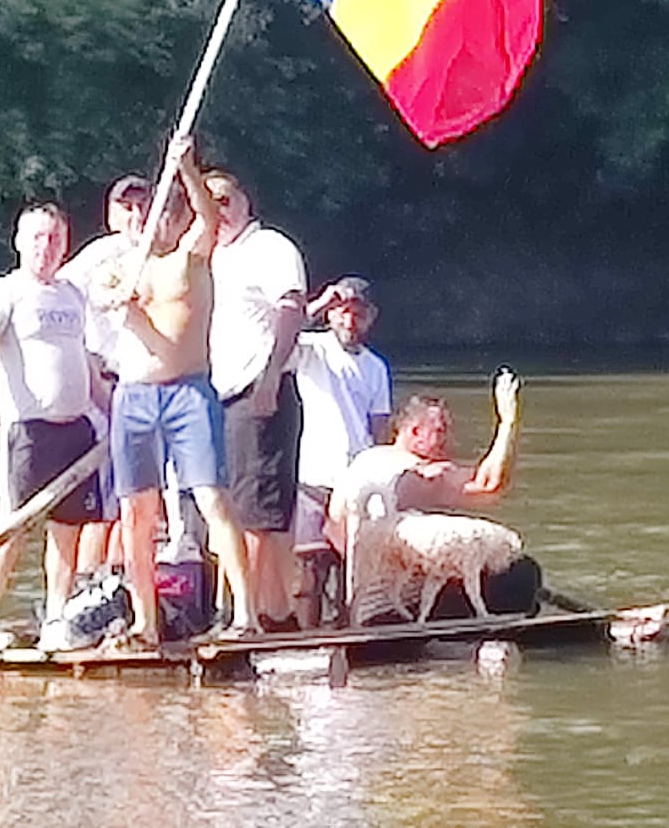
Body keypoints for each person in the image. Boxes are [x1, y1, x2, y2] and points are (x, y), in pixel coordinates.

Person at [96, 137, 259, 645]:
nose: (150, 224)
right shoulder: (120, 266)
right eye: (140, 216)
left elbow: (208, 218)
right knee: (136, 511)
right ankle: (146, 621)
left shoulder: (191, 257)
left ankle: (245, 615)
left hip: (188, 392)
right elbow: (101, 294)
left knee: (212, 498)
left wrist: (186, 167)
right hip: (135, 396)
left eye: (159, 215)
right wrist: (118, 297)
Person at [0, 202, 107, 656]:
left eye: (55, 238)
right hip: (28, 432)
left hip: (76, 431)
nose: (46, 247)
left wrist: (114, 410)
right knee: (13, 526)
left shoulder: (72, 295)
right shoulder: (4, 294)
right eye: (38, 237)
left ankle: (56, 618)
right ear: (20, 242)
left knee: (68, 528)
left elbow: (85, 362)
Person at [329, 370, 527, 624]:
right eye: (440, 431)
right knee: (520, 572)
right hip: (402, 609)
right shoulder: (421, 472)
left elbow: (333, 527)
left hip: (362, 605)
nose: (447, 440)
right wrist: (507, 424)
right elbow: (489, 485)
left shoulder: (364, 460)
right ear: (414, 431)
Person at [203, 170, 308, 631]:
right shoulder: (206, 256)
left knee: (258, 513)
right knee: (227, 508)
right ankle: (258, 610)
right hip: (217, 398)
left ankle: (258, 616)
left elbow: (291, 309)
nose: (219, 210)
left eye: (226, 199)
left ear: (246, 200)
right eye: (209, 202)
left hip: (259, 394)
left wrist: (269, 377)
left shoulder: (269, 247)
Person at [58, 174, 152, 590]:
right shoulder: (99, 256)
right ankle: (85, 582)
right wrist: (88, 371)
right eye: (126, 207)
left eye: (142, 205)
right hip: (105, 383)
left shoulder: (164, 254)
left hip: (148, 384)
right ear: (112, 214)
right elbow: (61, 297)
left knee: (136, 492)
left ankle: (119, 577)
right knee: (104, 491)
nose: (136, 214)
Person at [289, 276, 391, 628]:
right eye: (342, 312)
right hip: (313, 478)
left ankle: (350, 634)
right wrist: (321, 302)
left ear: (370, 317)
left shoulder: (376, 367)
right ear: (331, 315)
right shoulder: (311, 349)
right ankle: (306, 639)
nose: (349, 320)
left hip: (355, 485)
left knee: (354, 569)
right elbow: (279, 333)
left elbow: (379, 427)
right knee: (309, 569)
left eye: (357, 313)